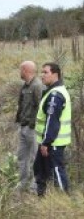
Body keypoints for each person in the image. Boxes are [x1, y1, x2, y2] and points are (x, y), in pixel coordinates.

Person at [33, 62, 71, 196]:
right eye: (42, 72)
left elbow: (52, 121)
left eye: (45, 72)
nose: (42, 75)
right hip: (48, 142)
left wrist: (46, 143)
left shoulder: (56, 95)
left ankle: (65, 201)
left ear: (55, 74)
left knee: (57, 172)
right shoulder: (52, 91)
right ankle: (41, 198)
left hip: (53, 143)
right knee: (40, 170)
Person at [15, 60, 43, 192]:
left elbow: (41, 107)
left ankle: (34, 186)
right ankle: (22, 183)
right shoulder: (25, 86)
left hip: (33, 129)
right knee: (22, 157)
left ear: (26, 70)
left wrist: (33, 124)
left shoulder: (37, 86)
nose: (20, 72)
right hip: (23, 127)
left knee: (34, 158)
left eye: (21, 70)